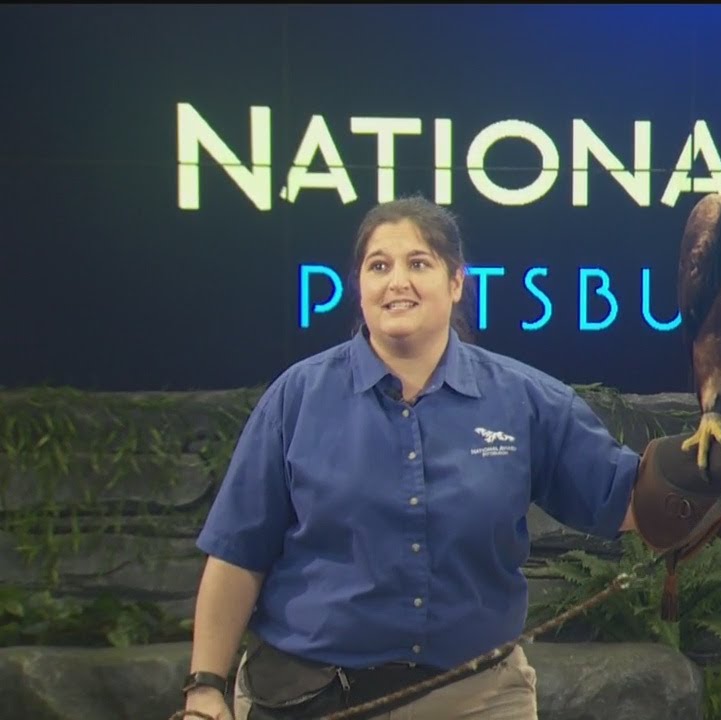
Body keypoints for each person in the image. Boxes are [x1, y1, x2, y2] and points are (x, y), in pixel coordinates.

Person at [180, 195, 642, 720]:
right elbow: (237, 555)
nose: (397, 281)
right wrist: (204, 688)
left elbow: (627, 500)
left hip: (476, 696)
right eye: (379, 266)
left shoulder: (526, 400)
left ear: (455, 283)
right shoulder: (297, 398)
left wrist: (715, 469)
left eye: (418, 263)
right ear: (360, 287)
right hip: (309, 696)